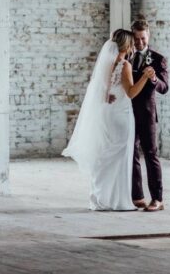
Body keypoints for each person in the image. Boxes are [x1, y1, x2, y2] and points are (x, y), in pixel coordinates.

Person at [62, 29, 154, 211]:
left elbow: (102, 91)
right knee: (120, 156)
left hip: (107, 113)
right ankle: (118, 200)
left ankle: (100, 197)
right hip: (121, 115)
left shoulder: (106, 64)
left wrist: (107, 95)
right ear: (127, 45)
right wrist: (145, 76)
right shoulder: (124, 64)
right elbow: (132, 92)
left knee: (106, 155)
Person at [128, 19, 169, 212]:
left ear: (148, 36)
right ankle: (137, 196)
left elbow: (164, 88)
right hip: (127, 114)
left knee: (151, 154)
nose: (139, 43)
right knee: (131, 153)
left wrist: (153, 78)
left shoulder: (158, 58)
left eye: (142, 38)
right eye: (136, 39)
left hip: (147, 114)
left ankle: (158, 199)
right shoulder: (127, 56)